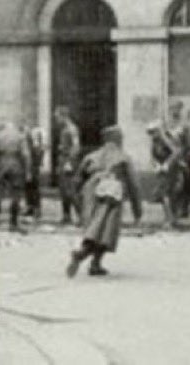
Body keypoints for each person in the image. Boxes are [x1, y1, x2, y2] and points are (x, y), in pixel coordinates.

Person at [66, 126, 142, 277]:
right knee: (106, 230)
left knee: (94, 227)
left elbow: (76, 181)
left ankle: (95, 264)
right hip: (111, 193)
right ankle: (82, 255)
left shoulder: (91, 156)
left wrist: (78, 205)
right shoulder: (123, 157)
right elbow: (134, 185)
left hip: (90, 192)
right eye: (121, 138)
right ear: (117, 139)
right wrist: (137, 210)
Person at [0, 121, 31, 234]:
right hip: (15, 164)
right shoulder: (20, 136)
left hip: (0, 164)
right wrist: (28, 171)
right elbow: (26, 154)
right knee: (16, 193)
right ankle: (13, 223)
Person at [146, 120, 182, 229]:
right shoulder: (154, 141)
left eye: (153, 132)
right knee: (165, 194)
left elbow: (176, 152)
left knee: (168, 194)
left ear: (158, 130)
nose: (152, 135)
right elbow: (152, 157)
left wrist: (167, 163)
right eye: (150, 132)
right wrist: (156, 165)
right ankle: (170, 219)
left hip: (171, 170)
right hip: (162, 171)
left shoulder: (165, 140)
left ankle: (170, 220)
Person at [54, 106, 82, 225]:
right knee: (63, 190)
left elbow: (76, 147)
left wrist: (69, 163)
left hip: (68, 160)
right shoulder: (64, 129)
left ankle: (82, 216)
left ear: (63, 116)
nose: (56, 119)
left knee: (71, 190)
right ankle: (66, 216)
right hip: (63, 160)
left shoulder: (72, 129)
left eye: (57, 117)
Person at [24, 125, 45, 220]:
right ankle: (31, 207)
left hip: (33, 167)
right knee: (29, 188)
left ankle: (36, 209)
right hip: (31, 167)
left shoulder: (35, 144)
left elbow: (35, 156)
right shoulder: (33, 143)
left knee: (34, 188)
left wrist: (30, 170)